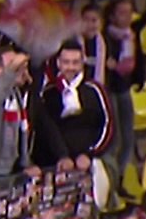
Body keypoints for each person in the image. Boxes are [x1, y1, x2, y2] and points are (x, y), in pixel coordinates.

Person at [0, 47, 71, 219]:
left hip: (6, 171)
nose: (21, 72)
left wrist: (25, 163)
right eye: (15, 67)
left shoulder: (16, 94)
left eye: (23, 68)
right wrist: (13, 70)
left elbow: (23, 131)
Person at [102, 0, 146, 180]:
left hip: (124, 89)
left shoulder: (131, 32)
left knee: (128, 138)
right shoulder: (104, 38)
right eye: (122, 13)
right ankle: (110, 182)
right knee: (113, 140)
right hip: (109, 91)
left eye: (129, 12)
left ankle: (121, 178)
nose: (127, 17)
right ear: (112, 16)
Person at [39, 42, 114, 171]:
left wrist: (90, 154)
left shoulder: (95, 89)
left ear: (82, 63)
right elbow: (48, 129)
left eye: (75, 62)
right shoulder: (49, 92)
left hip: (94, 157)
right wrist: (62, 156)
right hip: (60, 162)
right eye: (66, 62)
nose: (71, 67)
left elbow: (108, 124)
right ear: (58, 63)